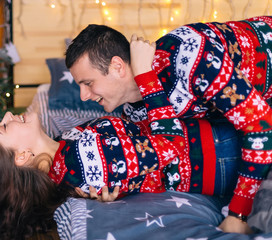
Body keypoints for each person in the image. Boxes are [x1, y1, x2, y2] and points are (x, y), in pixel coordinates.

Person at [65, 16, 272, 233]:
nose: (83, 96)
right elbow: (161, 152)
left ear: (117, 66)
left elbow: (260, 126)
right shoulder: (135, 110)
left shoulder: (189, 58)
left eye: (88, 84)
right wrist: (115, 186)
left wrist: (239, 214)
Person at [0, 109, 250, 239]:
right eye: (4, 127)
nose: (9, 116)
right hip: (216, 152)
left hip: (209, 139)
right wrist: (147, 78)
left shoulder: (66, 154)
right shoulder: (79, 162)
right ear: (21, 157)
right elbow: (168, 146)